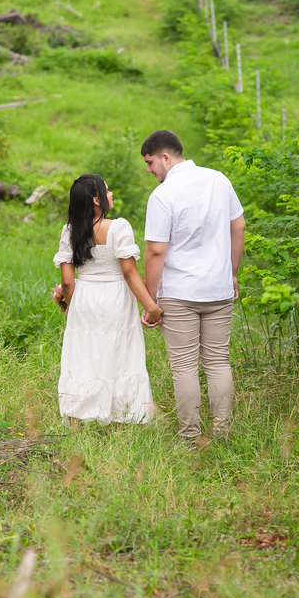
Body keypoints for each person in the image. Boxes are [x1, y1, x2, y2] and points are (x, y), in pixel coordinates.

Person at [140, 131, 245, 446]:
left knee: (184, 367)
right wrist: (232, 272)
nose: (149, 170)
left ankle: (191, 439)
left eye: (150, 162)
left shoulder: (163, 194)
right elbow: (238, 226)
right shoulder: (218, 180)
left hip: (179, 292)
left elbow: (155, 251)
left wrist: (149, 301)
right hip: (218, 288)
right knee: (218, 361)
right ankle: (223, 434)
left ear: (166, 157)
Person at [54, 174, 161, 425]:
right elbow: (129, 272)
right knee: (120, 354)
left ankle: (77, 418)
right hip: (116, 298)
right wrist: (151, 307)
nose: (110, 194)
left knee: (84, 356)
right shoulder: (118, 227)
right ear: (96, 200)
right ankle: (120, 418)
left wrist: (70, 305)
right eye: (107, 190)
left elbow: (67, 281)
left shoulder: (69, 231)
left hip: (85, 297)